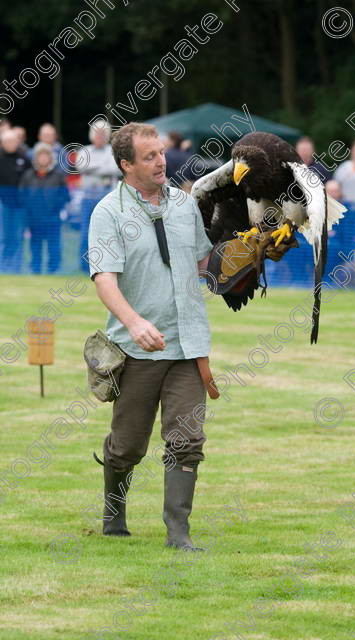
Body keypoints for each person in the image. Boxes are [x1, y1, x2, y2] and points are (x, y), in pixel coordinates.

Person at [87, 122, 213, 550]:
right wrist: (135, 322)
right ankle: (113, 513)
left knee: (187, 439)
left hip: (187, 346)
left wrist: (252, 252)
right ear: (126, 164)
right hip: (135, 350)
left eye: (161, 153)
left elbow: (202, 265)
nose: (161, 161)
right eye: (149, 156)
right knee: (126, 446)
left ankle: (178, 534)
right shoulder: (108, 211)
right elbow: (105, 279)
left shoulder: (185, 204)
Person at [77, 119, 121, 272]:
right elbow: (81, 166)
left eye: (103, 134)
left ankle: (105, 266)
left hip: (107, 199)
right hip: (87, 198)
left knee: (108, 233)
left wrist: (92, 169)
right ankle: (84, 267)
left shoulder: (112, 151)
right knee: (85, 232)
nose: (100, 136)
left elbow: (115, 170)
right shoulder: (85, 151)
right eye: (97, 133)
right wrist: (103, 169)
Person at [20, 143, 69, 274]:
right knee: (35, 247)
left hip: (53, 219)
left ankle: (53, 271)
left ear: (50, 158)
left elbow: (65, 196)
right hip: (34, 219)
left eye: (45, 155)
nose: (43, 158)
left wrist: (55, 207)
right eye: (40, 155)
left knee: (54, 247)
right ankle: (35, 271)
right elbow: (22, 195)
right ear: (35, 158)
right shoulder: (28, 175)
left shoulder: (58, 176)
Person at [0, 129, 31, 272]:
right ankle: (3, 266)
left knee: (18, 236)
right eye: (6, 141)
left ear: (17, 142)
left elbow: (30, 179)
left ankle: (16, 267)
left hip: (20, 205)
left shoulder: (24, 158)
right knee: (5, 237)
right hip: (3, 205)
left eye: (12, 141)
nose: (9, 144)